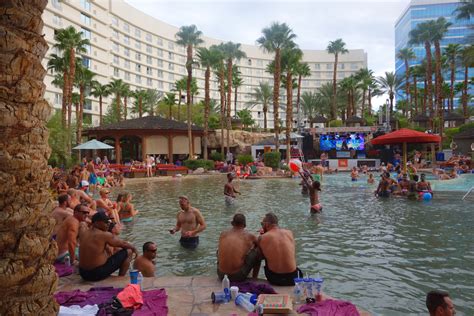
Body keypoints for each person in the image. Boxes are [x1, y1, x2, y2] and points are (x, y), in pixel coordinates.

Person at [78, 212, 137, 281]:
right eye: (105, 222)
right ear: (96, 223)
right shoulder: (104, 234)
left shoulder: (84, 232)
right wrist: (134, 249)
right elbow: (123, 244)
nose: (108, 224)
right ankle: (120, 278)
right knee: (129, 251)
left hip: (83, 273)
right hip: (95, 274)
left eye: (109, 221)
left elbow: (82, 225)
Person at [258, 213, 302, 286]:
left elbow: (260, 256)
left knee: (258, 253)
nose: (262, 226)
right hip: (293, 278)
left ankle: (254, 278)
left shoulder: (262, 238)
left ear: (267, 224)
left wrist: (261, 237)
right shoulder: (289, 233)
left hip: (275, 279)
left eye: (262, 224)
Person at [217, 214, 260, 282]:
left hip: (221, 274)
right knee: (257, 251)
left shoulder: (223, 234)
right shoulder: (250, 236)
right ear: (244, 225)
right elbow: (259, 244)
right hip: (237, 276)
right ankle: (254, 278)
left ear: (232, 223)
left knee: (218, 250)